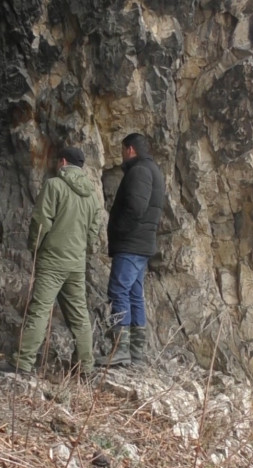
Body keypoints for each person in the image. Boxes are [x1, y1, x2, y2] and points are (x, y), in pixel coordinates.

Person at [0, 147, 102, 377]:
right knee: (79, 314)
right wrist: (83, 250)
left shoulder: (54, 186)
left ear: (62, 162)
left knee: (40, 311)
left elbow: (41, 221)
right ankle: (85, 367)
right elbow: (94, 232)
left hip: (52, 261)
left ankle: (23, 363)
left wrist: (34, 247)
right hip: (76, 263)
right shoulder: (92, 196)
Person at [95, 133, 165, 367]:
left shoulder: (139, 171)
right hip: (142, 244)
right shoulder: (152, 170)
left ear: (131, 150)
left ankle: (120, 349)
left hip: (131, 244)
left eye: (123, 150)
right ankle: (136, 353)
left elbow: (135, 207)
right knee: (135, 294)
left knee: (118, 290)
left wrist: (119, 231)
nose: (122, 155)